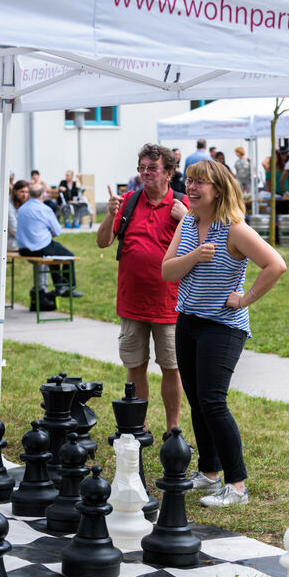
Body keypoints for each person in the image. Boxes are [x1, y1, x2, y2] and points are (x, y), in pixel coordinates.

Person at [162, 159, 286, 507]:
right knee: (198, 401)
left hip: (223, 325)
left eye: (200, 182)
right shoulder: (187, 222)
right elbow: (167, 272)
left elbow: (276, 265)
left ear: (218, 189)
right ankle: (209, 473)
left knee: (213, 402)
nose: (192, 187)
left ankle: (237, 485)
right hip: (188, 320)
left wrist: (246, 298)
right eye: (189, 180)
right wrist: (195, 257)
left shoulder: (234, 229)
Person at [96, 143, 189, 434]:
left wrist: (186, 218)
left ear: (170, 173)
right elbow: (103, 242)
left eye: (153, 168)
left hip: (170, 303)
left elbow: (202, 249)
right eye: (142, 168)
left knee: (171, 368)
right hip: (132, 302)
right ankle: (139, 425)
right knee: (135, 366)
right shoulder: (127, 201)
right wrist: (110, 214)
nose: (146, 173)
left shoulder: (183, 205)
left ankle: (172, 428)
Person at [17, 183, 83, 297]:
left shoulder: (21, 209)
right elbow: (57, 231)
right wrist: (48, 232)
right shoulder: (45, 209)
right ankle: (69, 287)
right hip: (40, 248)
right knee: (69, 256)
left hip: (24, 249)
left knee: (54, 254)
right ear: (43, 195)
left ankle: (60, 286)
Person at [8, 180, 29, 252]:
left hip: (24, 240)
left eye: (27, 192)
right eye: (22, 192)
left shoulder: (26, 204)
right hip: (12, 242)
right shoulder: (8, 206)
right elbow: (14, 229)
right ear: (15, 192)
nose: (25, 195)